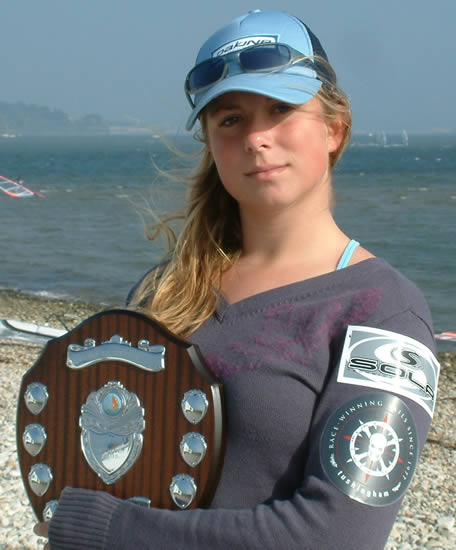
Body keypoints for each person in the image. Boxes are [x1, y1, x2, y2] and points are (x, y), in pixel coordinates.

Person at [35, 9, 439, 549]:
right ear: (210, 141)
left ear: (334, 128)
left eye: (281, 109)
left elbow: (338, 536)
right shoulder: (165, 290)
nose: (256, 138)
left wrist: (106, 528)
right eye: (231, 119)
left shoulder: (384, 314)